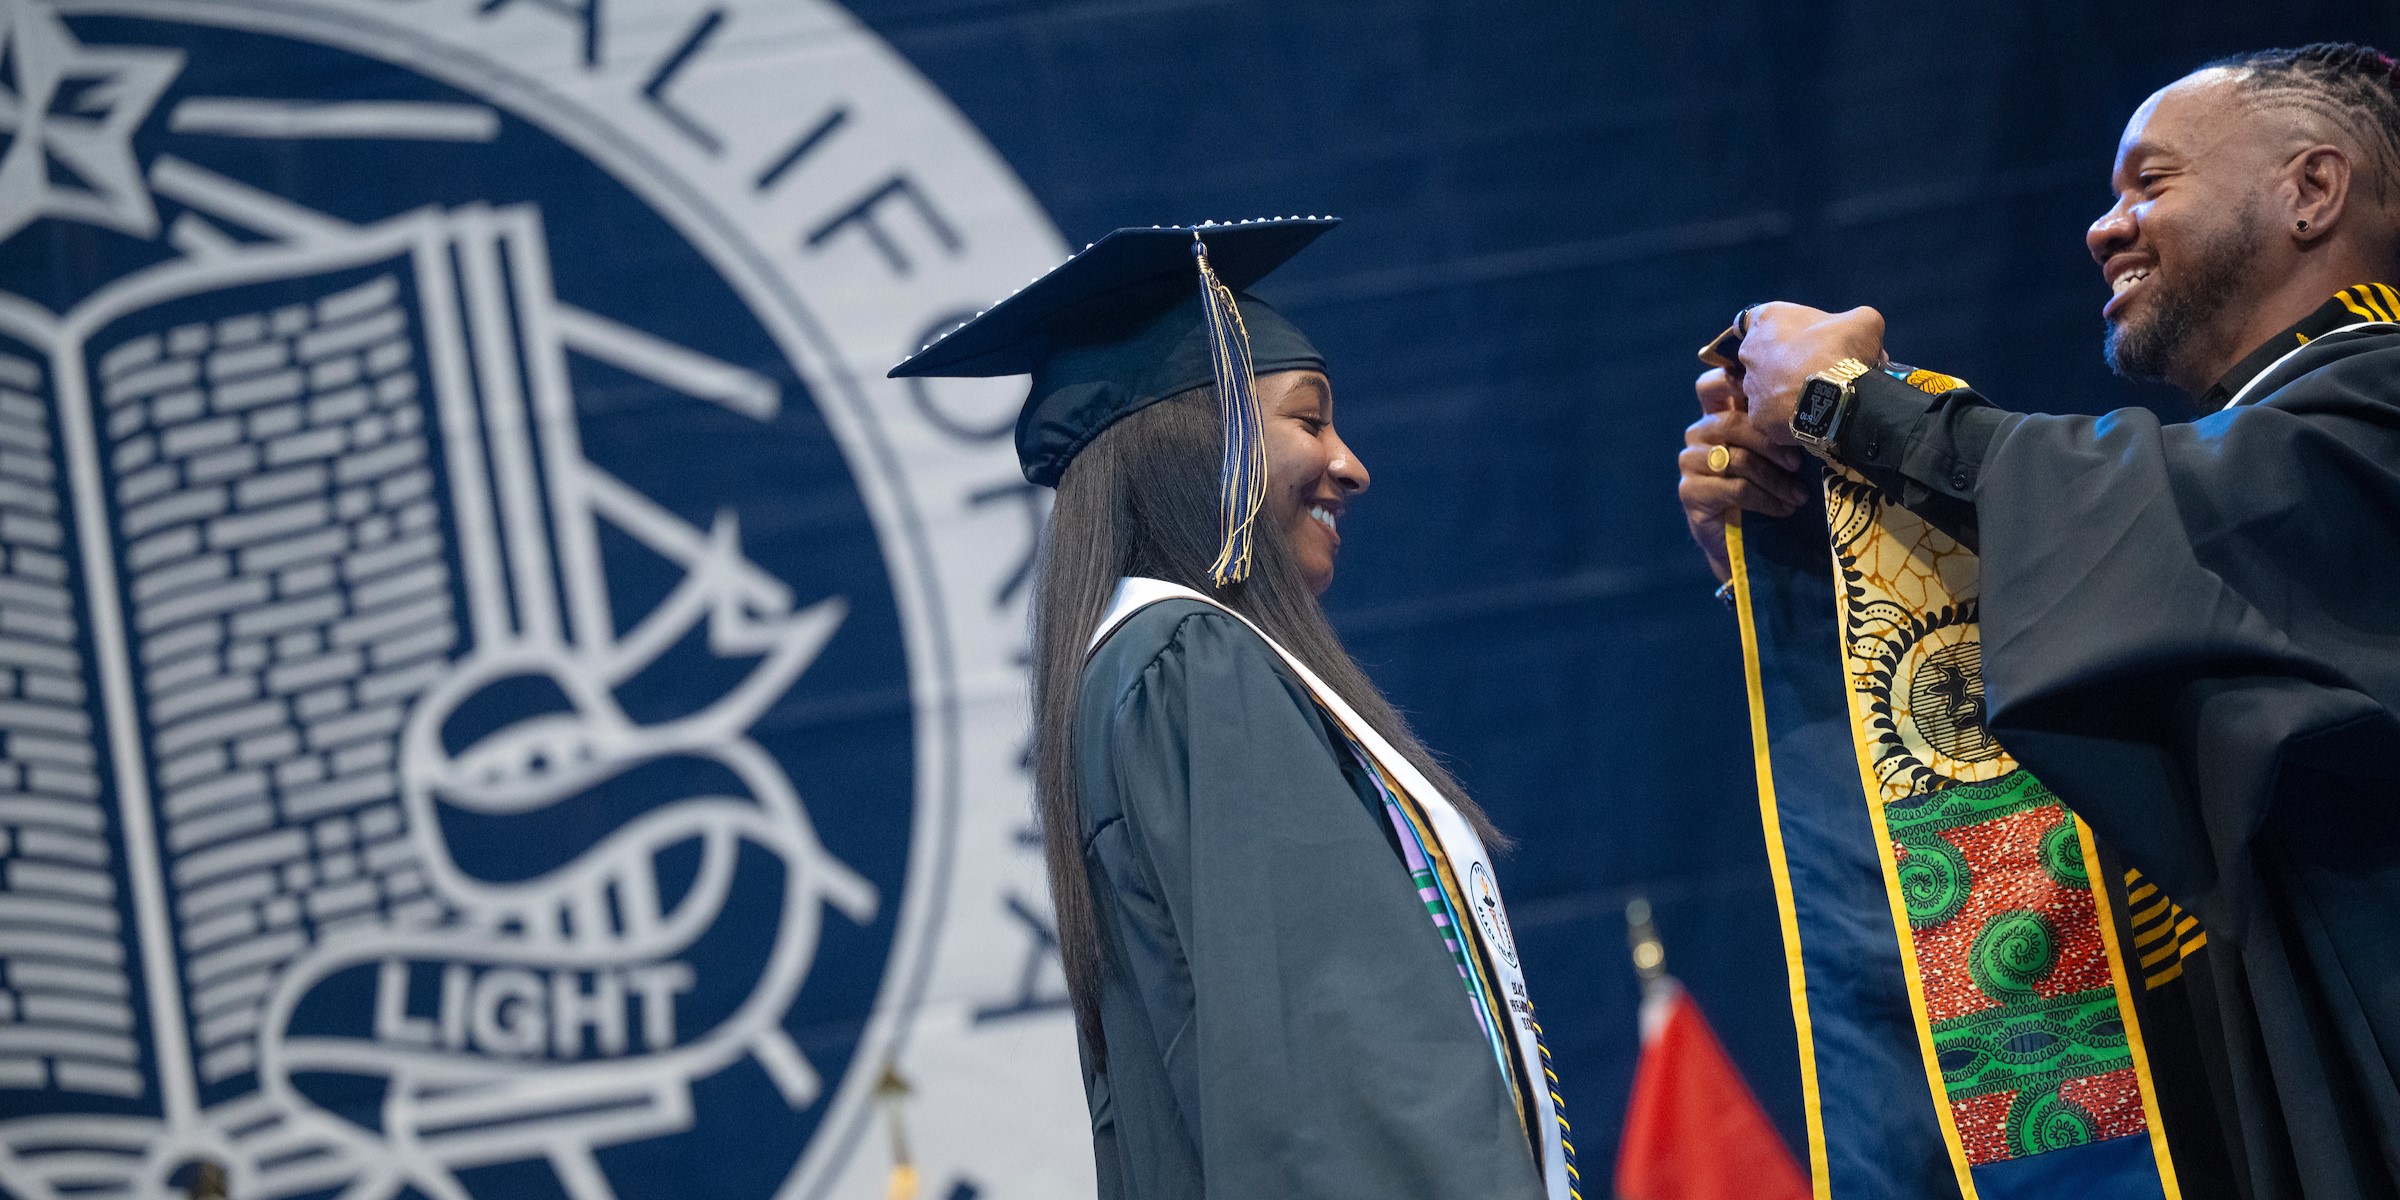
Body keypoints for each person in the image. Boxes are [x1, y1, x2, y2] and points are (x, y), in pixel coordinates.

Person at [1678, 44, 2400, 1200]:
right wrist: (1819, 556)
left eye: (2149, 184)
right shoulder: (2221, 512)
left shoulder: (2369, 409)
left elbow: (2181, 510)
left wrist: (1856, 408)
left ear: (2312, 191)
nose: (2103, 229)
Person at [892, 219, 1573, 1199]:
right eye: (1310, 419)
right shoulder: (1194, 668)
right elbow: (1340, 1064)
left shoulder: (1130, 675)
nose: (1350, 464)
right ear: (1202, 441)